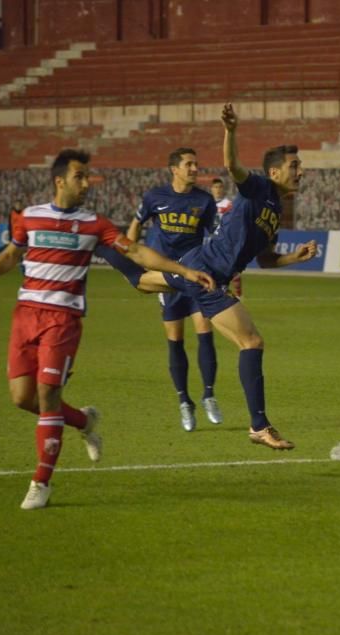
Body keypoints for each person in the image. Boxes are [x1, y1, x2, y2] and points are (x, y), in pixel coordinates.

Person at [0, 149, 214, 510]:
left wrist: (184, 271)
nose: (86, 183)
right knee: (22, 399)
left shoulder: (96, 224)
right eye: (80, 177)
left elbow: (138, 252)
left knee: (48, 397)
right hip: (25, 315)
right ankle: (83, 420)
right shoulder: (30, 218)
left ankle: (41, 484)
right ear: (59, 180)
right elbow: (11, 256)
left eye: (88, 177)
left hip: (63, 320)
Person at [126, 103, 317, 450]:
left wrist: (295, 257)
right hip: (208, 273)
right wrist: (230, 130)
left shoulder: (275, 210)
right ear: (274, 173)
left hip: (202, 270)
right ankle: (259, 426)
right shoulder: (258, 188)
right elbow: (232, 166)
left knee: (142, 281)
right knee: (252, 342)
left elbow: (265, 259)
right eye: (294, 166)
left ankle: (106, 249)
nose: (301, 171)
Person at [127, 148, 223, 432]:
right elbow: (134, 229)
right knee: (175, 340)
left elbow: (214, 238)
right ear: (174, 169)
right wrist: (129, 258)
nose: (195, 168)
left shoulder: (205, 201)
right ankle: (184, 401)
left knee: (205, 332)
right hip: (167, 279)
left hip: (196, 275)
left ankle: (209, 395)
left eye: (196, 163)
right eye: (189, 164)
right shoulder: (154, 198)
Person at [210, 177, 243, 299]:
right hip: (211, 240)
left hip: (226, 241)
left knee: (232, 268)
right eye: (215, 187)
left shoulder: (228, 204)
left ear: (223, 189)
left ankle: (239, 295)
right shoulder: (208, 204)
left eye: (220, 187)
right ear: (211, 189)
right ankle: (216, 292)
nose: (218, 190)